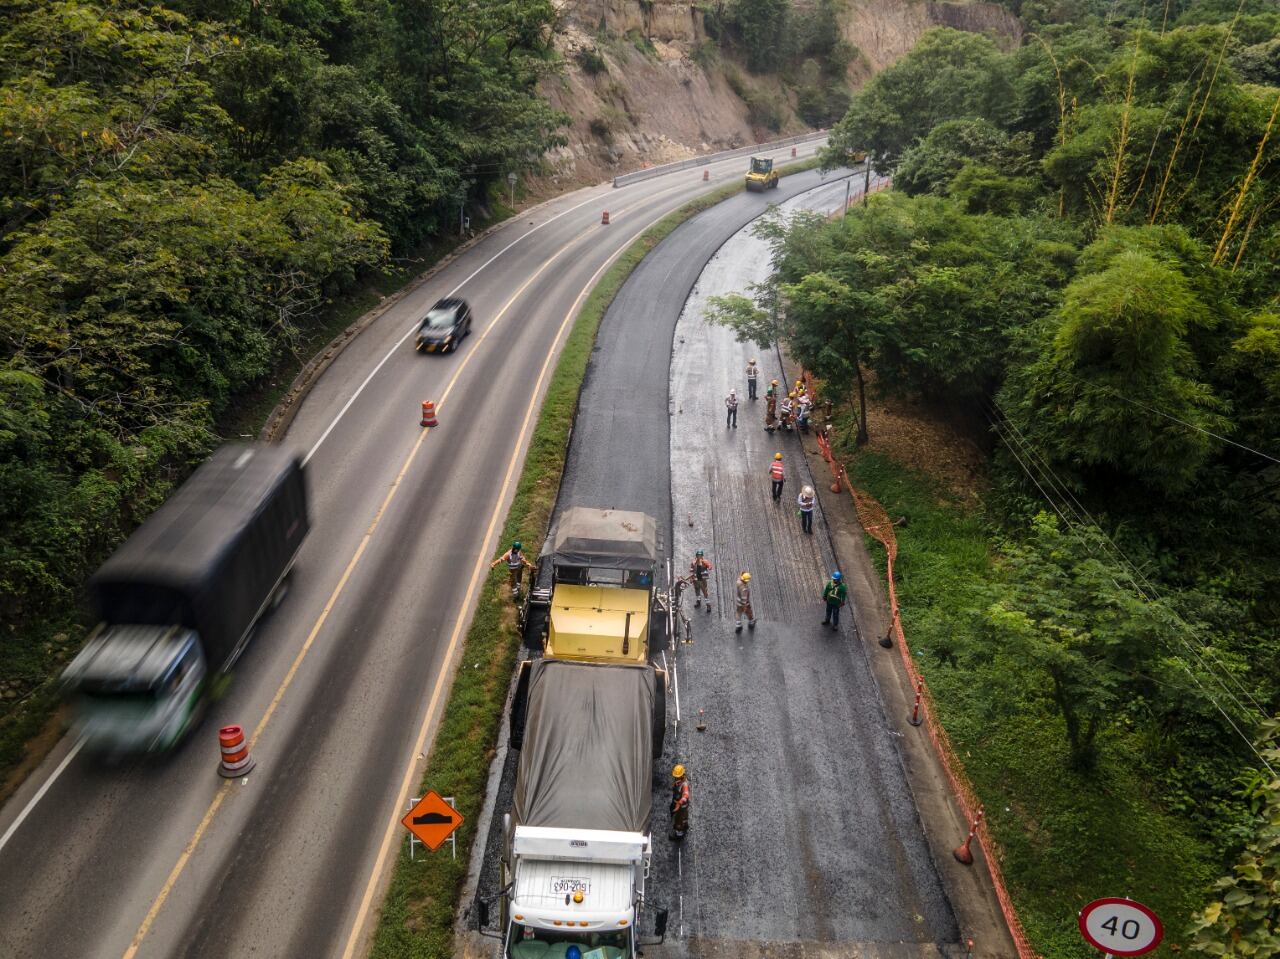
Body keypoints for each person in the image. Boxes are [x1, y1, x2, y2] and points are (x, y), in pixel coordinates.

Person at [669, 765, 690, 841]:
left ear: (682, 775)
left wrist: (679, 803)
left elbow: (686, 795)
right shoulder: (679, 782)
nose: (676, 778)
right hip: (678, 803)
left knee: (679, 820)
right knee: (683, 817)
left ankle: (679, 836)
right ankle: (685, 825)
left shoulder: (684, 785)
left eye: (677, 776)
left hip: (682, 806)